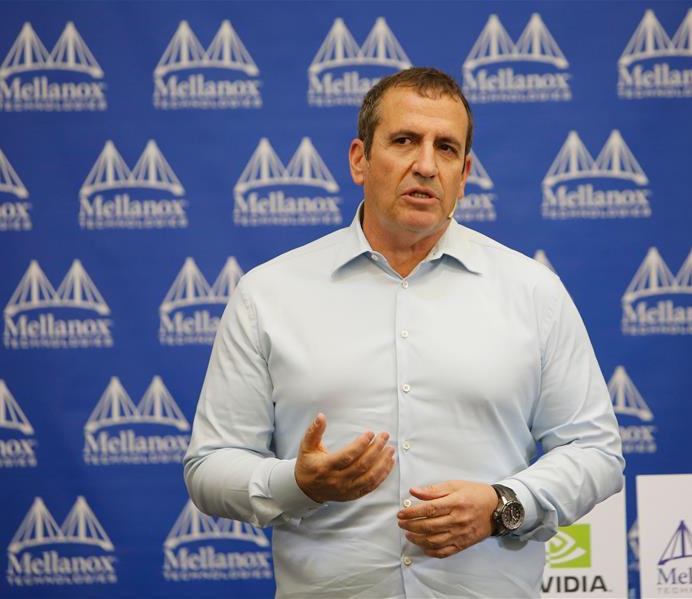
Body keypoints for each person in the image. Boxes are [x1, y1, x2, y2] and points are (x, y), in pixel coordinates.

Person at [184, 67, 624, 598]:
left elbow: (596, 452)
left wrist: (503, 504)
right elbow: (210, 467)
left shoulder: (533, 293)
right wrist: (298, 484)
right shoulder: (268, 295)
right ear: (359, 160)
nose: (426, 165)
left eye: (446, 149)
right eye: (404, 141)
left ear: (464, 173)